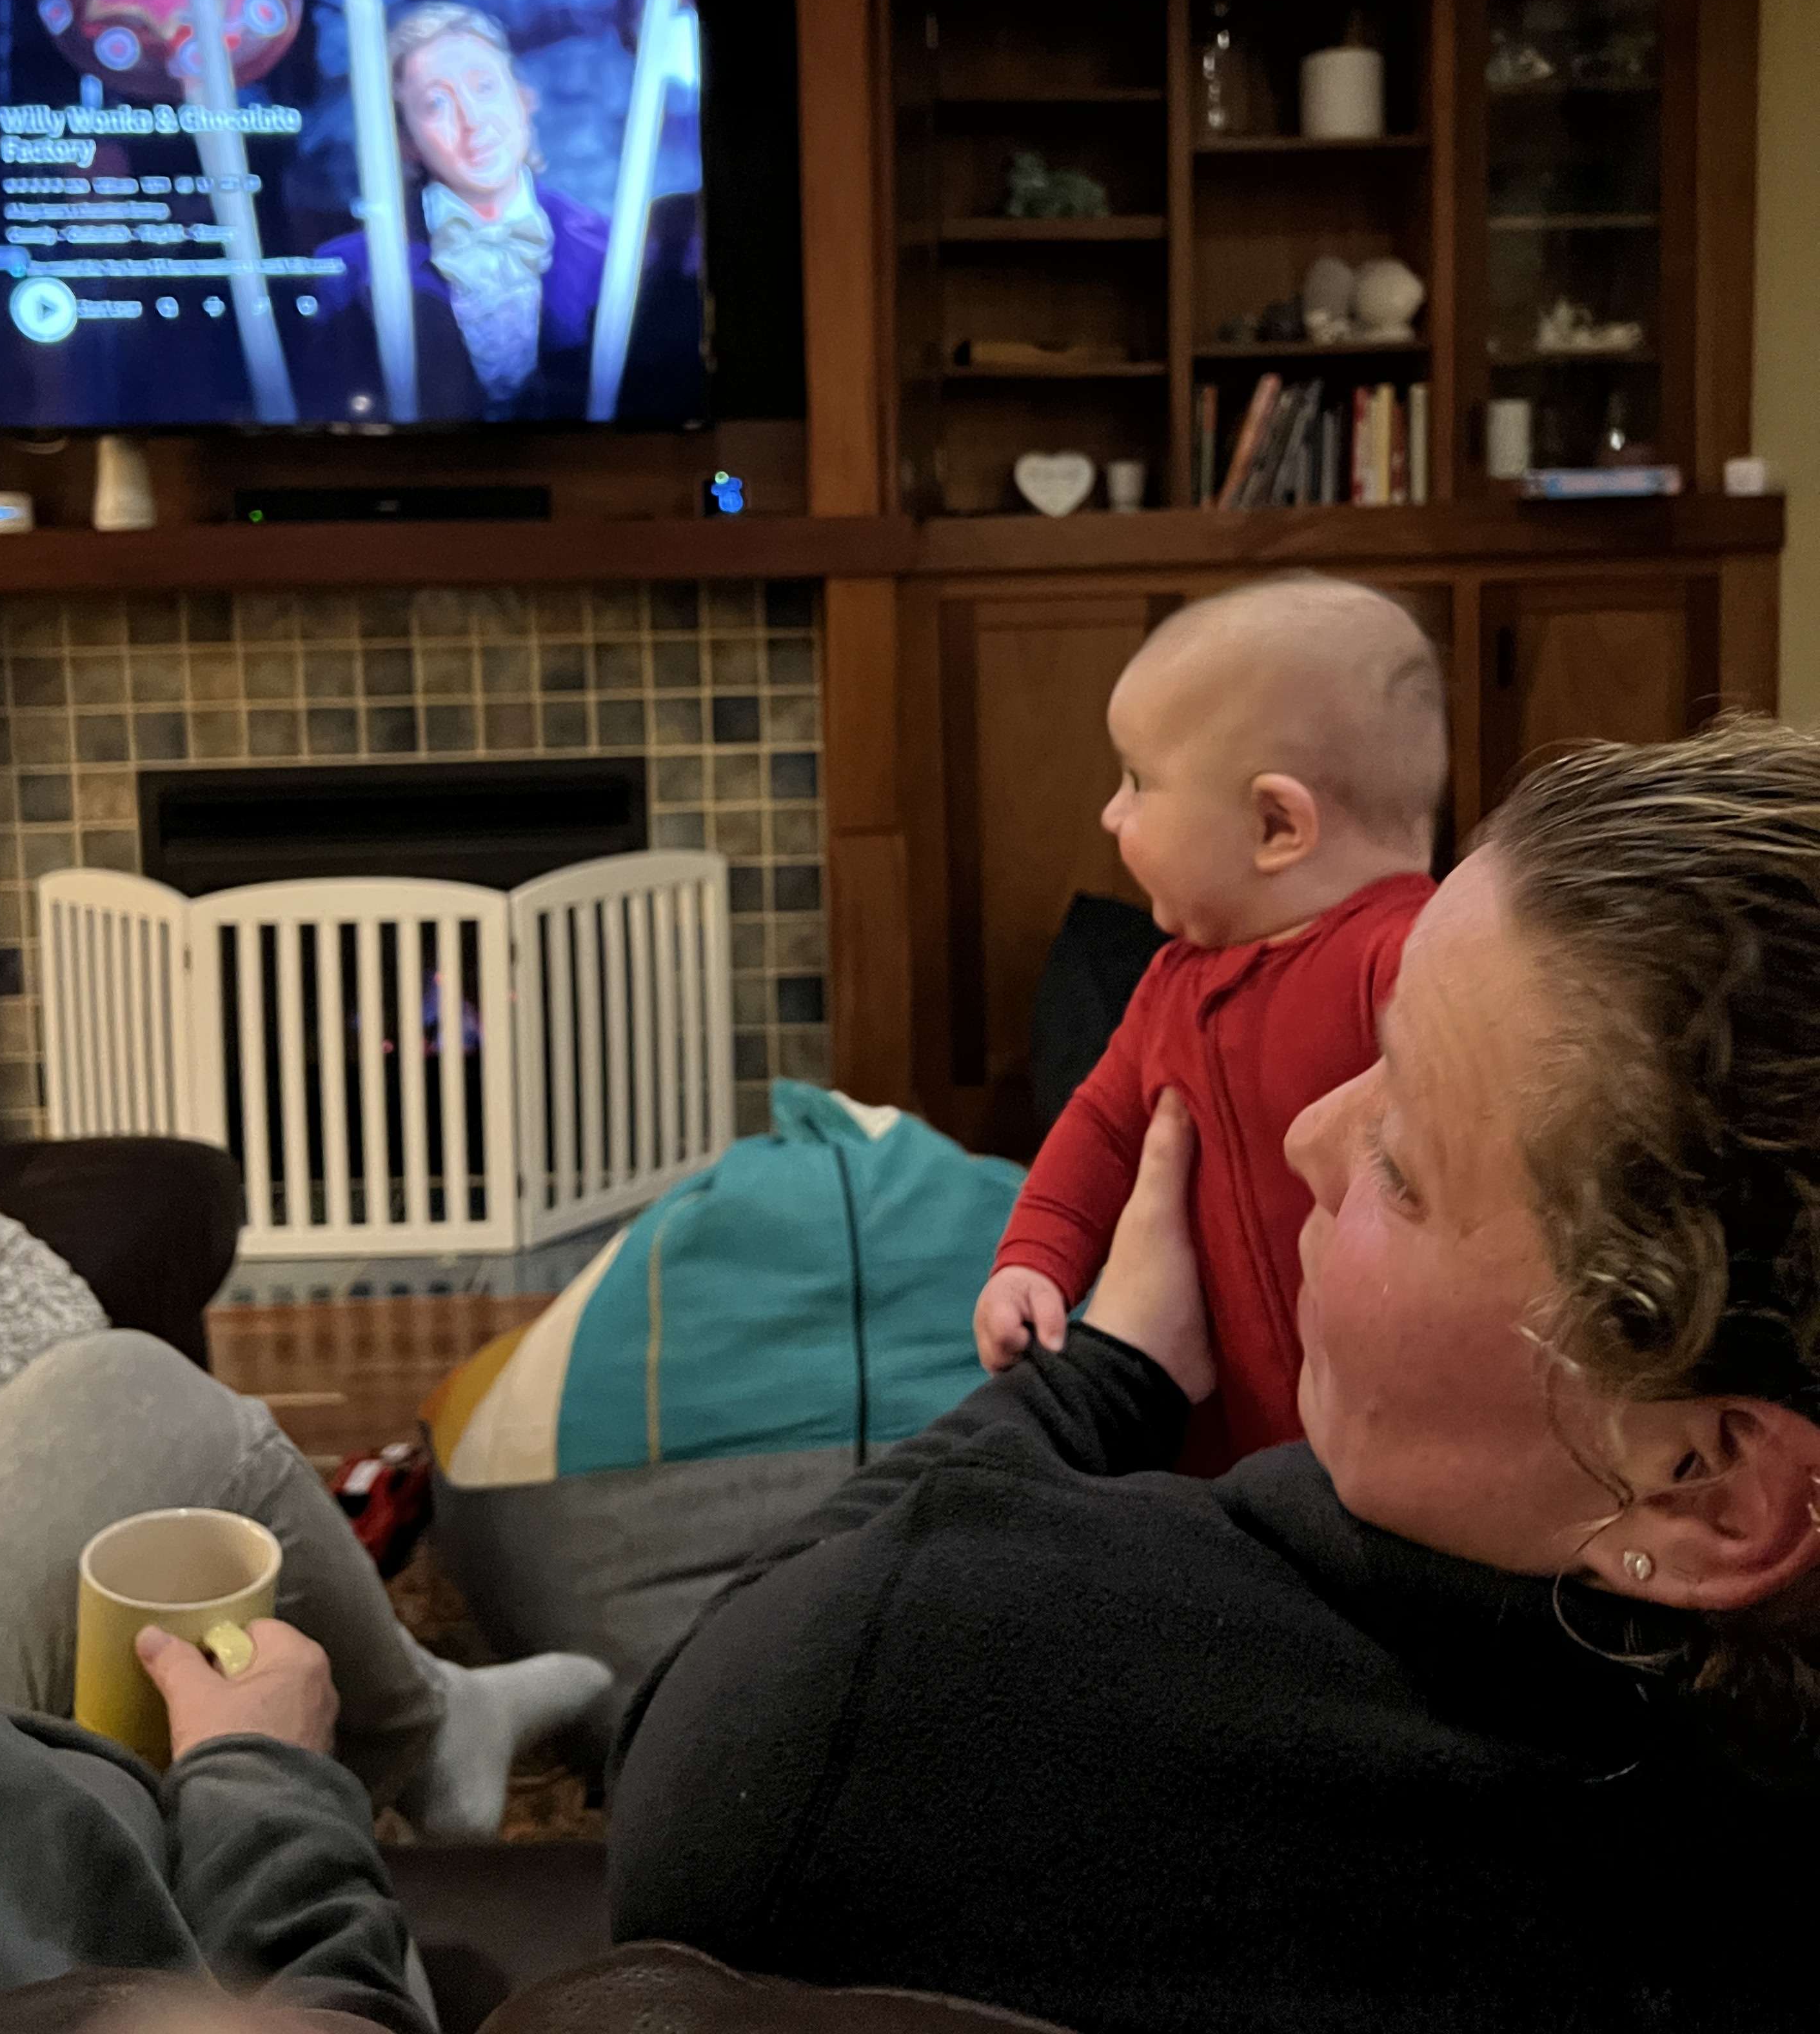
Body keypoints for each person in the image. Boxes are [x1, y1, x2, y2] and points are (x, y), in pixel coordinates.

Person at [610, 719, 1820, 2034]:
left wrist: (1099, 1373)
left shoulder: (941, 1687)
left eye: (1401, 1164)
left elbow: (680, 1761)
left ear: (1708, 1484)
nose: (1308, 1134)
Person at [0, 1331, 609, 2024]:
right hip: (198, 1943)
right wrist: (264, 1778)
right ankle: (426, 1735)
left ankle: (437, 1726)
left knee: (131, 1393)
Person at [974, 575, 1444, 1468]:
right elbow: (1103, 1127)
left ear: (1275, 825)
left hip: (1391, 1449)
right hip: (1211, 1444)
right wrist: (1034, 1259)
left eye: (1138, 782)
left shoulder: (1415, 962)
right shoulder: (1171, 985)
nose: (1111, 812)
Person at [303, 0, 702, 425]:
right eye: (436, 103)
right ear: (407, 141)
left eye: (485, 87)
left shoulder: (621, 256)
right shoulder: (345, 276)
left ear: (524, 98)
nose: (473, 120)